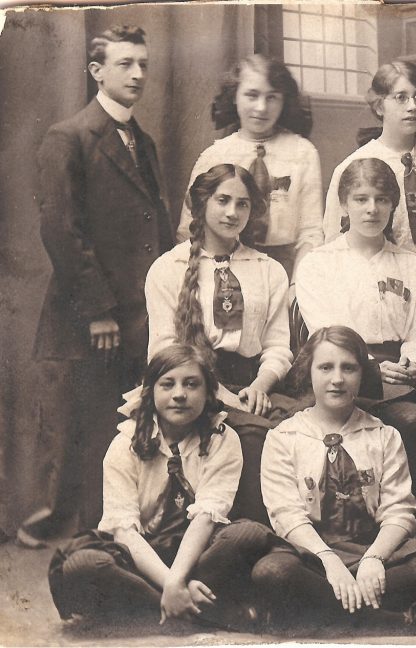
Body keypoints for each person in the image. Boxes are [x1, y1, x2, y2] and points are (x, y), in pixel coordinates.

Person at [23, 24, 175, 546]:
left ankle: (127, 539)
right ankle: (91, 553)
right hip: (91, 320)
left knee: (131, 431)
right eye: (125, 64)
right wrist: (98, 311)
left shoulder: (143, 140)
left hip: (140, 315)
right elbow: (61, 230)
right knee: (92, 438)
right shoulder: (69, 137)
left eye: (143, 64)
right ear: (96, 71)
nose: (137, 74)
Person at [295, 159, 416, 552]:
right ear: (343, 204)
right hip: (347, 374)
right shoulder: (319, 264)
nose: (371, 209)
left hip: (405, 371)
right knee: (409, 420)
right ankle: (411, 544)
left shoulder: (410, 264)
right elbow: (328, 338)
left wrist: (415, 361)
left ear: (393, 205)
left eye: (381, 199)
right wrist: (373, 368)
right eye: (360, 199)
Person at [48, 344, 279, 629]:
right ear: (150, 392)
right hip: (142, 556)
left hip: (200, 555)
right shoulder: (125, 443)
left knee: (248, 534)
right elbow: (124, 532)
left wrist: (177, 577)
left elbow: (207, 517)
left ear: (208, 393)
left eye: (192, 384)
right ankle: (191, 607)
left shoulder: (222, 438)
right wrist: (171, 583)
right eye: (167, 384)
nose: (179, 394)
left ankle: (162, 606)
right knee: (82, 564)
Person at [251, 326, 416, 631]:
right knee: (271, 572)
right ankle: (395, 621)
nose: (337, 379)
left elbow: (399, 511)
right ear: (308, 372)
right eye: (325, 367)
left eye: (348, 368)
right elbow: (286, 516)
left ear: (362, 374)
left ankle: (327, 613)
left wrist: (374, 558)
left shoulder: (383, 435)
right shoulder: (283, 437)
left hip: (370, 549)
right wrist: (328, 560)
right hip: (311, 555)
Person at [146, 163, 293, 524]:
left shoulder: (267, 269)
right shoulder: (169, 268)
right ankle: (240, 541)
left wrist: (261, 384)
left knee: (298, 430)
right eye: (222, 200)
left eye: (242, 204)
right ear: (201, 204)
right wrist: (221, 394)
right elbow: (164, 349)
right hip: (189, 384)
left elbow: (277, 345)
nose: (232, 213)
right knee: (256, 436)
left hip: (254, 384)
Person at [322, 61, 416, 389]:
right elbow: (334, 238)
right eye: (400, 97)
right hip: (386, 280)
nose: (412, 106)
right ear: (378, 105)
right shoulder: (355, 166)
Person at [178, 54, 322, 279]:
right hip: (222, 269)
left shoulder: (303, 153)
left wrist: (296, 287)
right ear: (235, 97)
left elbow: (311, 232)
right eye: (251, 95)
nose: (262, 107)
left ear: (284, 101)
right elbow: (189, 228)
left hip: (286, 270)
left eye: (272, 97)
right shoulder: (214, 155)